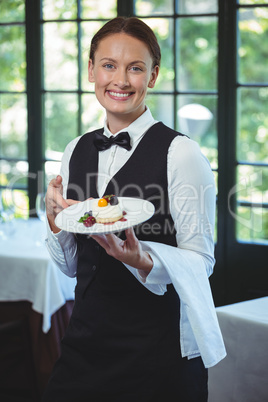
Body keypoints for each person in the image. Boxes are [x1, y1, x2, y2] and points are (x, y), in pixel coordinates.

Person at [42, 16, 226, 402]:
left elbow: (203, 261)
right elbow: (72, 267)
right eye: (109, 65)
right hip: (85, 345)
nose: (121, 81)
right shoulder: (75, 150)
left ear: (153, 76)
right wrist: (55, 221)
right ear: (91, 70)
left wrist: (144, 259)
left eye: (135, 68)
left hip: (157, 355)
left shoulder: (183, 154)